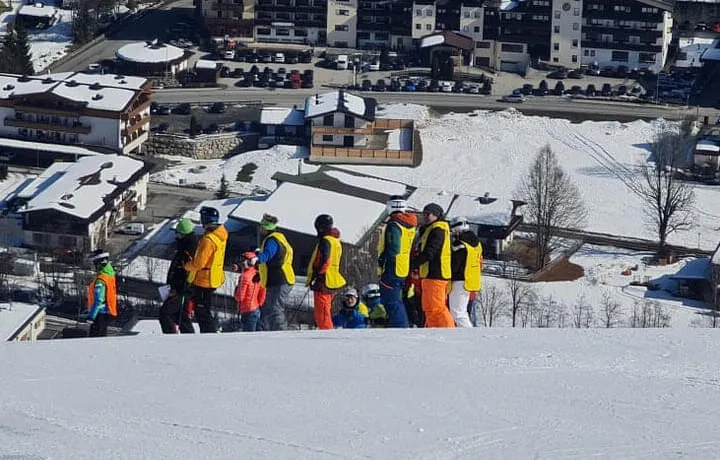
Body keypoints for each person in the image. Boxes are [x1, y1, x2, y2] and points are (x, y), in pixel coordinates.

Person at [244, 213, 295, 331]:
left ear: (265, 227)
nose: (260, 229)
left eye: (261, 226)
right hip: (278, 278)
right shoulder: (280, 237)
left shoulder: (271, 240)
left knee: (275, 308)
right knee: (267, 308)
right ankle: (266, 332)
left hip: (280, 279)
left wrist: (256, 260)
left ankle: (280, 333)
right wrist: (260, 275)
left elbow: (268, 254)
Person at [184, 206, 228, 333]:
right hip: (214, 276)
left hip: (204, 279)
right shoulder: (220, 235)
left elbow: (199, 264)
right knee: (205, 309)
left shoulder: (208, 240)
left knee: (202, 311)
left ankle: (208, 334)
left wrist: (187, 265)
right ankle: (209, 332)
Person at [411, 203, 455, 328]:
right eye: (423, 214)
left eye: (428, 214)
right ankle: (432, 329)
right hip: (429, 274)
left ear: (436, 215)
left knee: (437, 307)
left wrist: (412, 264)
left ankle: (449, 330)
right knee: (429, 307)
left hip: (436, 273)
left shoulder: (438, 229)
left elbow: (429, 252)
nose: (425, 217)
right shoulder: (431, 228)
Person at [377, 197, 417, 328]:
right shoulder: (409, 224)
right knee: (395, 299)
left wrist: (383, 258)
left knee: (390, 300)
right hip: (402, 267)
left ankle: (400, 326)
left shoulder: (394, 224)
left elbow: (394, 247)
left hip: (392, 267)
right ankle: (399, 324)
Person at [307, 214, 346, 330]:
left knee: (322, 313)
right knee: (326, 310)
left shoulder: (325, 241)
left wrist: (318, 275)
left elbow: (325, 260)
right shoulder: (336, 241)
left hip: (324, 280)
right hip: (333, 279)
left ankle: (326, 335)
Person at [159, 217, 196, 334]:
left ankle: (171, 338)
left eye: (177, 233)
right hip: (180, 288)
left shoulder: (188, 250)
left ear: (182, 234)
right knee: (182, 317)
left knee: (165, 313)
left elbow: (187, 272)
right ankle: (188, 340)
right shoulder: (184, 248)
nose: (176, 236)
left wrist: (177, 288)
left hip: (182, 290)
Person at [449, 216, 483, 328]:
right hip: (471, 279)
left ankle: (469, 334)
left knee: (457, 313)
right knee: (462, 311)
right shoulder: (476, 243)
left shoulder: (459, 244)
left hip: (460, 280)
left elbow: (454, 265)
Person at [86, 250, 117, 337]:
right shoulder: (110, 276)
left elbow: (99, 300)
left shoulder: (101, 280)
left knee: (94, 341)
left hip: (99, 315)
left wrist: (91, 316)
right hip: (107, 312)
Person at [234, 251, 266, 332]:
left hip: (247, 310)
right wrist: (259, 304)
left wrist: (236, 290)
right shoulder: (258, 275)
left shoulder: (244, 276)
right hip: (256, 308)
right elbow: (263, 292)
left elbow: (240, 297)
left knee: (249, 337)